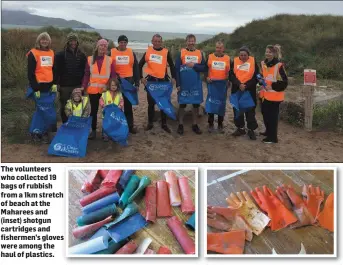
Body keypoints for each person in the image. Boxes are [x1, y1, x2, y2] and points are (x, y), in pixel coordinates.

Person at [138, 34, 176, 133]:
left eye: (159, 41)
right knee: (151, 104)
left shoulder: (165, 52)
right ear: (152, 41)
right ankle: (150, 123)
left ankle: (164, 124)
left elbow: (172, 65)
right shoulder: (148, 51)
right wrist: (141, 78)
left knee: (163, 103)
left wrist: (174, 77)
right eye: (155, 41)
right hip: (151, 82)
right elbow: (139, 65)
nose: (157, 43)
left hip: (163, 82)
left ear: (161, 42)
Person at [81, 39, 117, 139]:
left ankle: (105, 132)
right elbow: (86, 74)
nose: (103, 47)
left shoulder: (110, 60)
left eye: (105, 46)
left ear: (107, 48)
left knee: (106, 112)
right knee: (93, 111)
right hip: (93, 91)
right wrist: (83, 86)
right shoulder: (89, 59)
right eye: (101, 45)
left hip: (106, 91)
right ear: (97, 46)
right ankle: (93, 131)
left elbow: (113, 76)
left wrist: (109, 86)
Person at [27, 31, 57, 143]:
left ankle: (44, 132)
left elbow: (53, 69)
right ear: (39, 41)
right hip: (38, 87)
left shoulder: (51, 53)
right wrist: (35, 88)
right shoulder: (33, 53)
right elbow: (30, 73)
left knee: (46, 110)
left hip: (49, 87)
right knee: (41, 110)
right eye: (42, 39)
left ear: (49, 41)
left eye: (46, 39)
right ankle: (35, 133)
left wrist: (54, 83)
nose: (44, 41)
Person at [175, 34, 206, 135]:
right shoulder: (181, 53)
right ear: (186, 42)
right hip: (184, 84)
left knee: (196, 105)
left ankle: (195, 124)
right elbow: (176, 69)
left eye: (193, 41)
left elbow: (204, 67)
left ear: (195, 42)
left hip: (195, 84)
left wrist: (195, 65)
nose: (191, 43)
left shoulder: (199, 53)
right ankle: (180, 124)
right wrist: (178, 84)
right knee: (182, 104)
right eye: (189, 41)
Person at [55, 32, 87, 123]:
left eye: (75, 41)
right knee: (65, 106)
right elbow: (56, 71)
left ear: (77, 42)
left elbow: (85, 71)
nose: (73, 43)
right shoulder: (60, 55)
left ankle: (77, 124)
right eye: (71, 41)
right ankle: (66, 124)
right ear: (67, 42)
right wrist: (57, 84)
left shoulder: (82, 55)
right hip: (65, 86)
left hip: (78, 85)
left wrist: (83, 84)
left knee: (78, 106)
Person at [110, 35, 139, 134]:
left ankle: (130, 126)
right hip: (116, 82)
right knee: (117, 104)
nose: (123, 44)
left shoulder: (131, 52)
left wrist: (137, 82)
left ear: (127, 43)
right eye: (121, 42)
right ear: (118, 43)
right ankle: (117, 124)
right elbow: (108, 66)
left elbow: (136, 68)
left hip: (128, 81)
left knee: (128, 104)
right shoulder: (112, 52)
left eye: (124, 42)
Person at [229, 46, 260, 140]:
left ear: (248, 55)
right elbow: (231, 75)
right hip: (237, 90)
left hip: (249, 90)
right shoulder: (234, 61)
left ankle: (251, 129)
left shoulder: (253, 62)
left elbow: (257, 77)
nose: (243, 57)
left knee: (250, 110)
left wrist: (246, 85)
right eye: (241, 55)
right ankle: (240, 128)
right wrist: (239, 84)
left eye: (245, 55)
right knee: (237, 110)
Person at [259, 44, 288, 144]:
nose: (267, 54)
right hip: (264, 95)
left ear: (274, 53)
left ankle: (273, 138)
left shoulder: (279, 66)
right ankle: (268, 132)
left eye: (270, 52)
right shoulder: (263, 63)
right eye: (266, 51)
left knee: (272, 117)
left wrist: (272, 87)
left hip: (275, 96)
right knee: (265, 114)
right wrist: (260, 81)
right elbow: (263, 77)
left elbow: (284, 83)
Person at [204, 40, 230, 133]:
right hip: (212, 84)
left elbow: (230, 71)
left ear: (223, 48)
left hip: (222, 85)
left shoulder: (227, 58)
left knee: (221, 103)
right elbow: (205, 68)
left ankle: (220, 124)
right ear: (215, 48)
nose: (219, 49)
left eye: (220, 48)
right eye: (217, 48)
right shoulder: (210, 56)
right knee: (211, 102)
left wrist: (228, 80)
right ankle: (210, 124)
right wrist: (206, 77)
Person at [99, 78, 124, 142]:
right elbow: (101, 100)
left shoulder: (119, 94)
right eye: (112, 85)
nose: (114, 87)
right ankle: (105, 135)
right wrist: (103, 105)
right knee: (107, 124)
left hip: (116, 113)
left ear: (117, 86)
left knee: (114, 124)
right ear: (109, 86)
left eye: (115, 85)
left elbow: (121, 101)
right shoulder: (105, 93)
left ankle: (113, 135)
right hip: (107, 112)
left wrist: (120, 106)